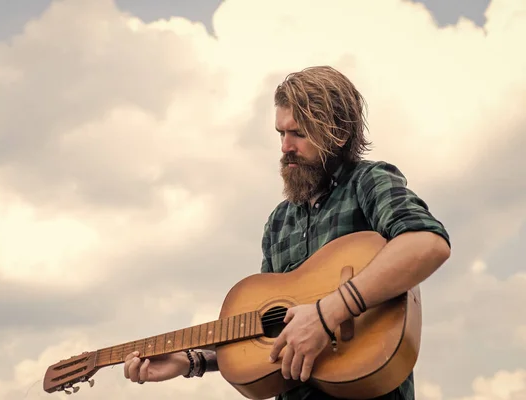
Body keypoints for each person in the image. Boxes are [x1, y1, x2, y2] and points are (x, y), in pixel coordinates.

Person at [123, 66, 451, 400]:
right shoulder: (279, 222)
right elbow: (272, 336)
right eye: (280, 133)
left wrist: (327, 314)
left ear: (337, 133)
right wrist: (193, 360)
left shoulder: (368, 183)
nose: (285, 147)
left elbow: (427, 242)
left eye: (298, 134)